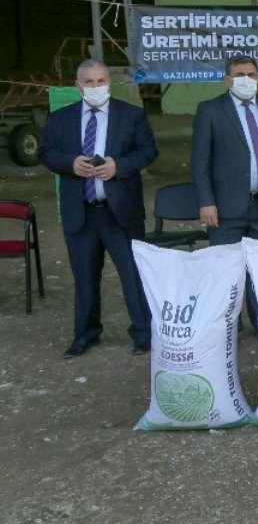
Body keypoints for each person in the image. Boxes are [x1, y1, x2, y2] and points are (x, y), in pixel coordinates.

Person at [37, 59, 158, 358]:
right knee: (84, 277)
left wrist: (119, 166)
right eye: (89, 82)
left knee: (132, 274)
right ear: (78, 86)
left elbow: (148, 151)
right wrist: (69, 164)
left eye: (101, 81)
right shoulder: (60, 118)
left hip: (121, 211)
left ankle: (143, 333)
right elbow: (45, 151)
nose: (96, 87)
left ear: (109, 83)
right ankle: (86, 334)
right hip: (81, 211)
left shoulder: (131, 115)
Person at [191, 54, 258, 329]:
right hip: (225, 208)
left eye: (251, 74)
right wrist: (206, 202)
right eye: (240, 75)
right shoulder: (210, 110)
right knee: (225, 272)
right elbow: (199, 162)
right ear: (227, 79)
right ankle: (229, 325)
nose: (246, 80)